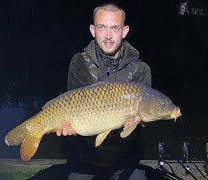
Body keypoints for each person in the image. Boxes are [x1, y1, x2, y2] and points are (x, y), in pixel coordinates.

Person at [57, 3, 155, 180]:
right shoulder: (80, 62)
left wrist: (139, 120)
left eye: (115, 28)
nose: (108, 36)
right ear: (93, 30)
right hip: (85, 159)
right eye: (102, 28)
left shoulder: (141, 70)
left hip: (124, 159)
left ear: (124, 31)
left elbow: (141, 117)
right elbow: (74, 107)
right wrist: (68, 122)